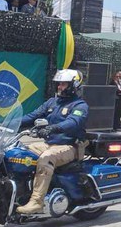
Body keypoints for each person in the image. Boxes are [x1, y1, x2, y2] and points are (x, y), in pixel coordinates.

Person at [16, 69, 89, 214]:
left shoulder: (80, 106)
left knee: (46, 159)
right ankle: (20, 193)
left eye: (64, 84)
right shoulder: (52, 102)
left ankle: (36, 202)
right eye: (59, 84)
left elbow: (73, 122)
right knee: (18, 153)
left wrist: (52, 128)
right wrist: (10, 122)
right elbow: (33, 116)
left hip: (69, 147)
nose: (60, 87)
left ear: (74, 86)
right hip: (48, 144)